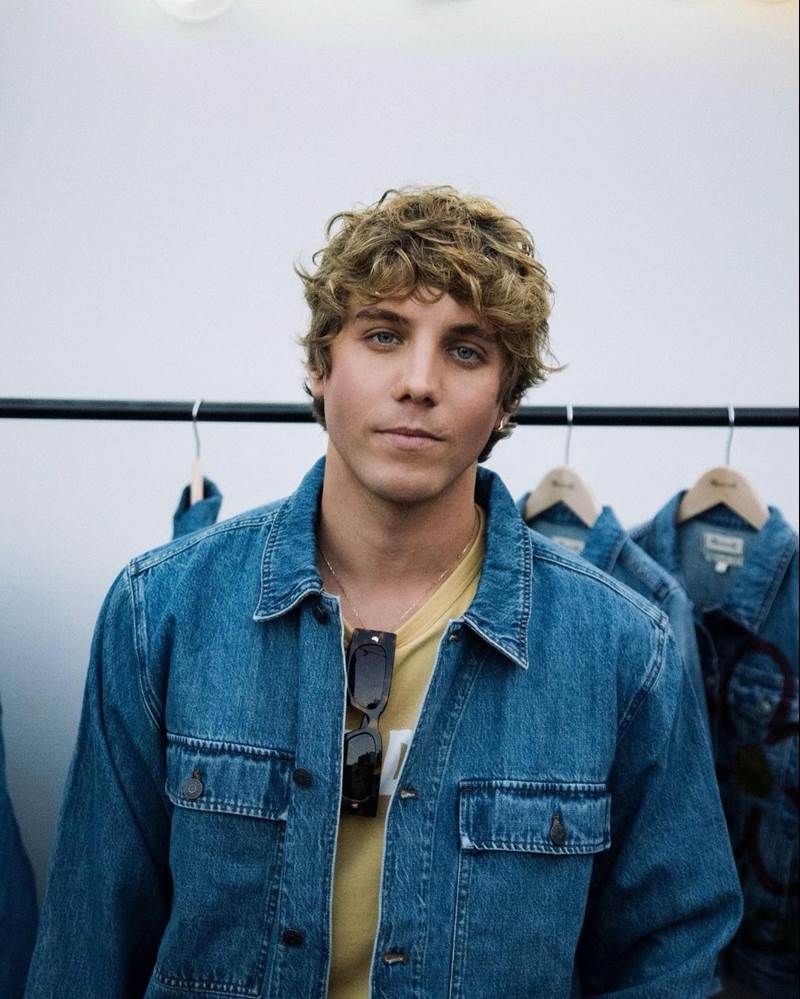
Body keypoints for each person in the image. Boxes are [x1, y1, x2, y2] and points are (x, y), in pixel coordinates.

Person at [24, 185, 742, 998]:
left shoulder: (622, 650)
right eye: (383, 334)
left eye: (466, 350)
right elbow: (89, 941)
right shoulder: (160, 612)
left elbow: (671, 956)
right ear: (320, 364)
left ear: (504, 398)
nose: (418, 381)